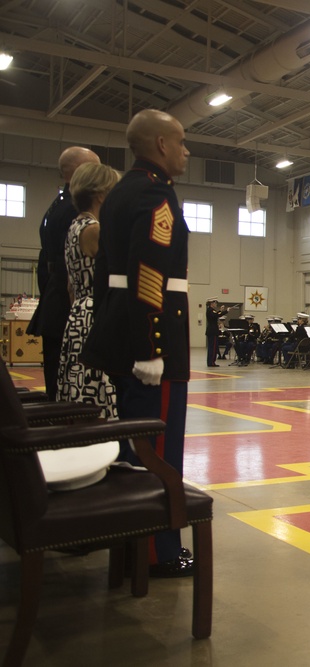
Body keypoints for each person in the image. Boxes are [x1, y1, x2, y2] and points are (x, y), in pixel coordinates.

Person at [82, 109, 193, 577]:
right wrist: (152, 348)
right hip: (151, 340)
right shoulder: (154, 194)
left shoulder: (121, 192)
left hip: (120, 331)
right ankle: (156, 552)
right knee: (157, 449)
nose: (187, 151)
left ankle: (133, 542)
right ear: (162, 145)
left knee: (133, 445)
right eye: (182, 142)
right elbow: (149, 271)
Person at [28, 146, 101, 400]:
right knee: (70, 389)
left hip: (55, 301)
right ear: (81, 171)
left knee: (58, 381)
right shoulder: (77, 212)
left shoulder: (56, 205)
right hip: (68, 306)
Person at [56, 162, 120, 418]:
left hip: (78, 314)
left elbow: (71, 285)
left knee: (78, 385)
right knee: (99, 388)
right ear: (102, 194)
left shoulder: (74, 227)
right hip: (96, 316)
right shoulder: (95, 230)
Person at [205, 297, 227, 366]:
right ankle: (211, 362)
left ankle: (211, 362)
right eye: (215, 303)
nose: (216, 304)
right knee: (213, 347)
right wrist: (226, 311)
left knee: (212, 347)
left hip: (211, 331)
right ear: (212, 303)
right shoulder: (210, 310)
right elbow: (217, 315)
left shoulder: (211, 310)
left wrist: (221, 310)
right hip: (213, 331)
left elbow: (217, 314)